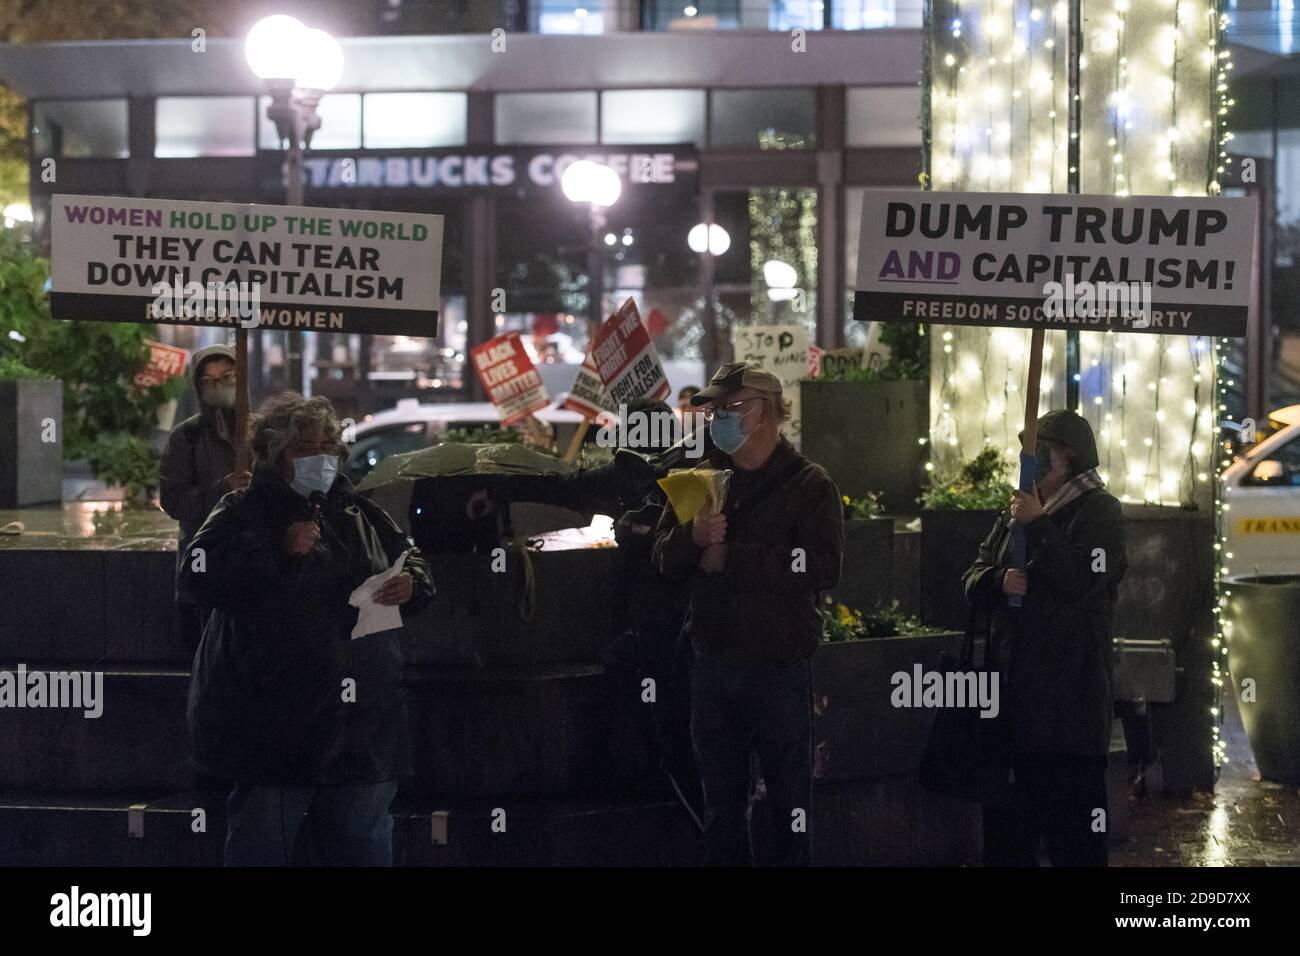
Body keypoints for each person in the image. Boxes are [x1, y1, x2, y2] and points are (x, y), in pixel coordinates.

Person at [178, 392, 435, 866]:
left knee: (361, 848)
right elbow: (196, 576)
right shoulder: (242, 509)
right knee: (261, 848)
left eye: (327, 447)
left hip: (363, 732)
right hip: (275, 732)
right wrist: (276, 549)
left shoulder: (359, 511)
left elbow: (409, 556)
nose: (319, 458)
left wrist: (411, 584)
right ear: (273, 456)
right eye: (303, 448)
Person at [653, 362, 844, 866]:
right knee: (722, 807)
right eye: (715, 409)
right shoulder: (703, 475)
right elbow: (660, 556)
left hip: (779, 667)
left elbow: (822, 565)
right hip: (713, 663)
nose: (718, 418)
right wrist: (689, 538)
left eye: (730, 408)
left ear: (765, 412)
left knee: (788, 806)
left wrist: (732, 558)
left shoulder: (809, 484)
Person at [962, 409, 1127, 867]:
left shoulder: (1101, 512)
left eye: (1039, 452)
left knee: (1073, 839)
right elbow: (973, 573)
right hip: (1013, 710)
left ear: (1068, 457)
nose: (1028, 461)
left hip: (1067, 714)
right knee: (1009, 840)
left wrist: (1039, 526)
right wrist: (997, 580)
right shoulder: (1017, 509)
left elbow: (1084, 580)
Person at [158, 343, 250, 653]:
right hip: (203, 571)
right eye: (208, 381)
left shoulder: (262, 432)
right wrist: (223, 489)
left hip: (255, 570)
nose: (218, 387)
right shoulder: (187, 437)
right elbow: (174, 499)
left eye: (227, 377)